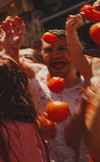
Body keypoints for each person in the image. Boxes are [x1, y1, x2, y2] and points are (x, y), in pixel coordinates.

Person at [25, 29, 90, 161]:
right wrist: (36, 124)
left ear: (75, 52)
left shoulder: (90, 89)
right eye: (48, 50)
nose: (55, 54)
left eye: (62, 48)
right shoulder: (36, 84)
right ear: (42, 55)